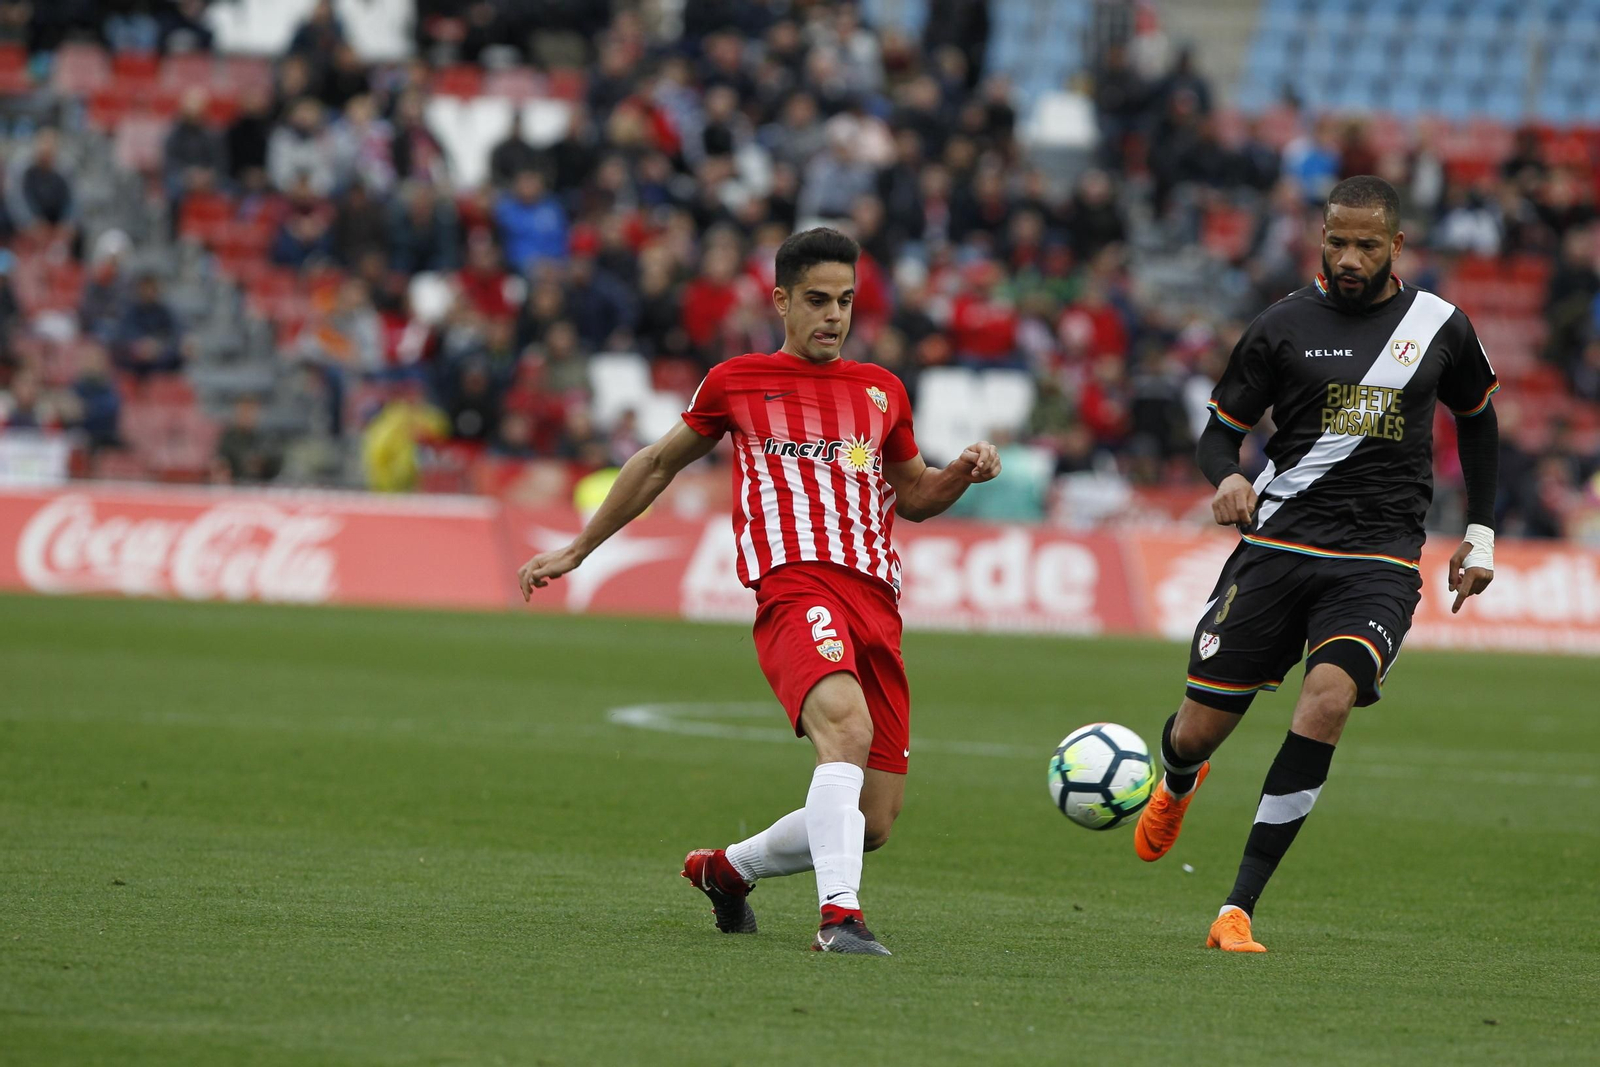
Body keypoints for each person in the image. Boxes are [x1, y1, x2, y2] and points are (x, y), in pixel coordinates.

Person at [516, 228, 1000, 955]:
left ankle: (726, 870)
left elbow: (917, 495)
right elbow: (654, 464)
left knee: (872, 823)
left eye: (844, 300)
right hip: (794, 587)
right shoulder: (736, 381)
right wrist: (581, 547)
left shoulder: (882, 390)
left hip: (877, 602)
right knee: (844, 729)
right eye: (816, 300)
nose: (833, 316)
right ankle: (841, 918)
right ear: (780, 300)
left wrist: (962, 469)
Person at [1134, 176, 1500, 953]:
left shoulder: (1440, 326)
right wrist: (1227, 476)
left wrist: (1484, 530)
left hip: (1379, 559)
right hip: (1276, 548)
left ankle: (1237, 907)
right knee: (1198, 732)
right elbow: (1215, 435)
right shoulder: (1281, 326)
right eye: (1338, 240)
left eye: (1368, 244)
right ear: (1320, 237)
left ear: (1397, 246)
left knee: (1328, 699)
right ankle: (1176, 778)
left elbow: (1480, 423)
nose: (1350, 257)